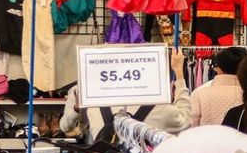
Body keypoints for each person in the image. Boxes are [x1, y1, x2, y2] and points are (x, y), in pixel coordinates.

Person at [60, 48, 192, 141]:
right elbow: (186, 121)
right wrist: (179, 75)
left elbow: (65, 128)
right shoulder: (161, 109)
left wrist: (77, 109)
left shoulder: (93, 102)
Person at [189, 46, 247, 126]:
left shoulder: (200, 93)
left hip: (206, 138)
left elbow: (191, 125)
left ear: (220, 68)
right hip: (243, 138)